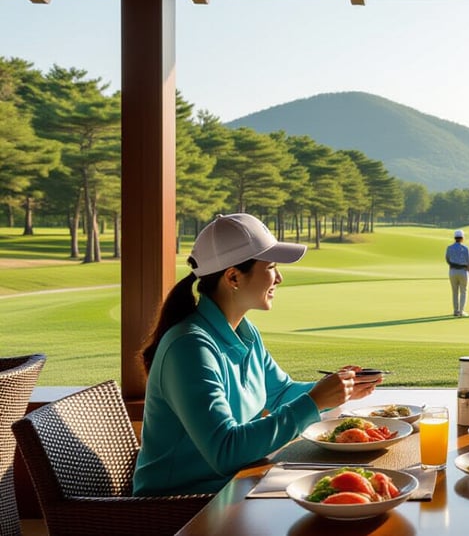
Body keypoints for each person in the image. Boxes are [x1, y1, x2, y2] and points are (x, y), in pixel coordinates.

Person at [133, 213, 382, 496]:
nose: (279, 278)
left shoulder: (244, 331)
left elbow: (279, 393)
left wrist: (339, 388)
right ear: (233, 276)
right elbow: (225, 451)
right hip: (183, 506)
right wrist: (314, 401)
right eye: (272, 267)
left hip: (238, 486)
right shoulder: (189, 348)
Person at [445, 228, 469, 317]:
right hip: (463, 271)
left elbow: (447, 259)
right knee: (463, 291)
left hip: (452, 271)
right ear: (462, 238)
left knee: (454, 292)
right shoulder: (465, 248)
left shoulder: (449, 248)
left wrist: (452, 265)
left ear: (455, 238)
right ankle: (461, 311)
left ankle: (455, 311)